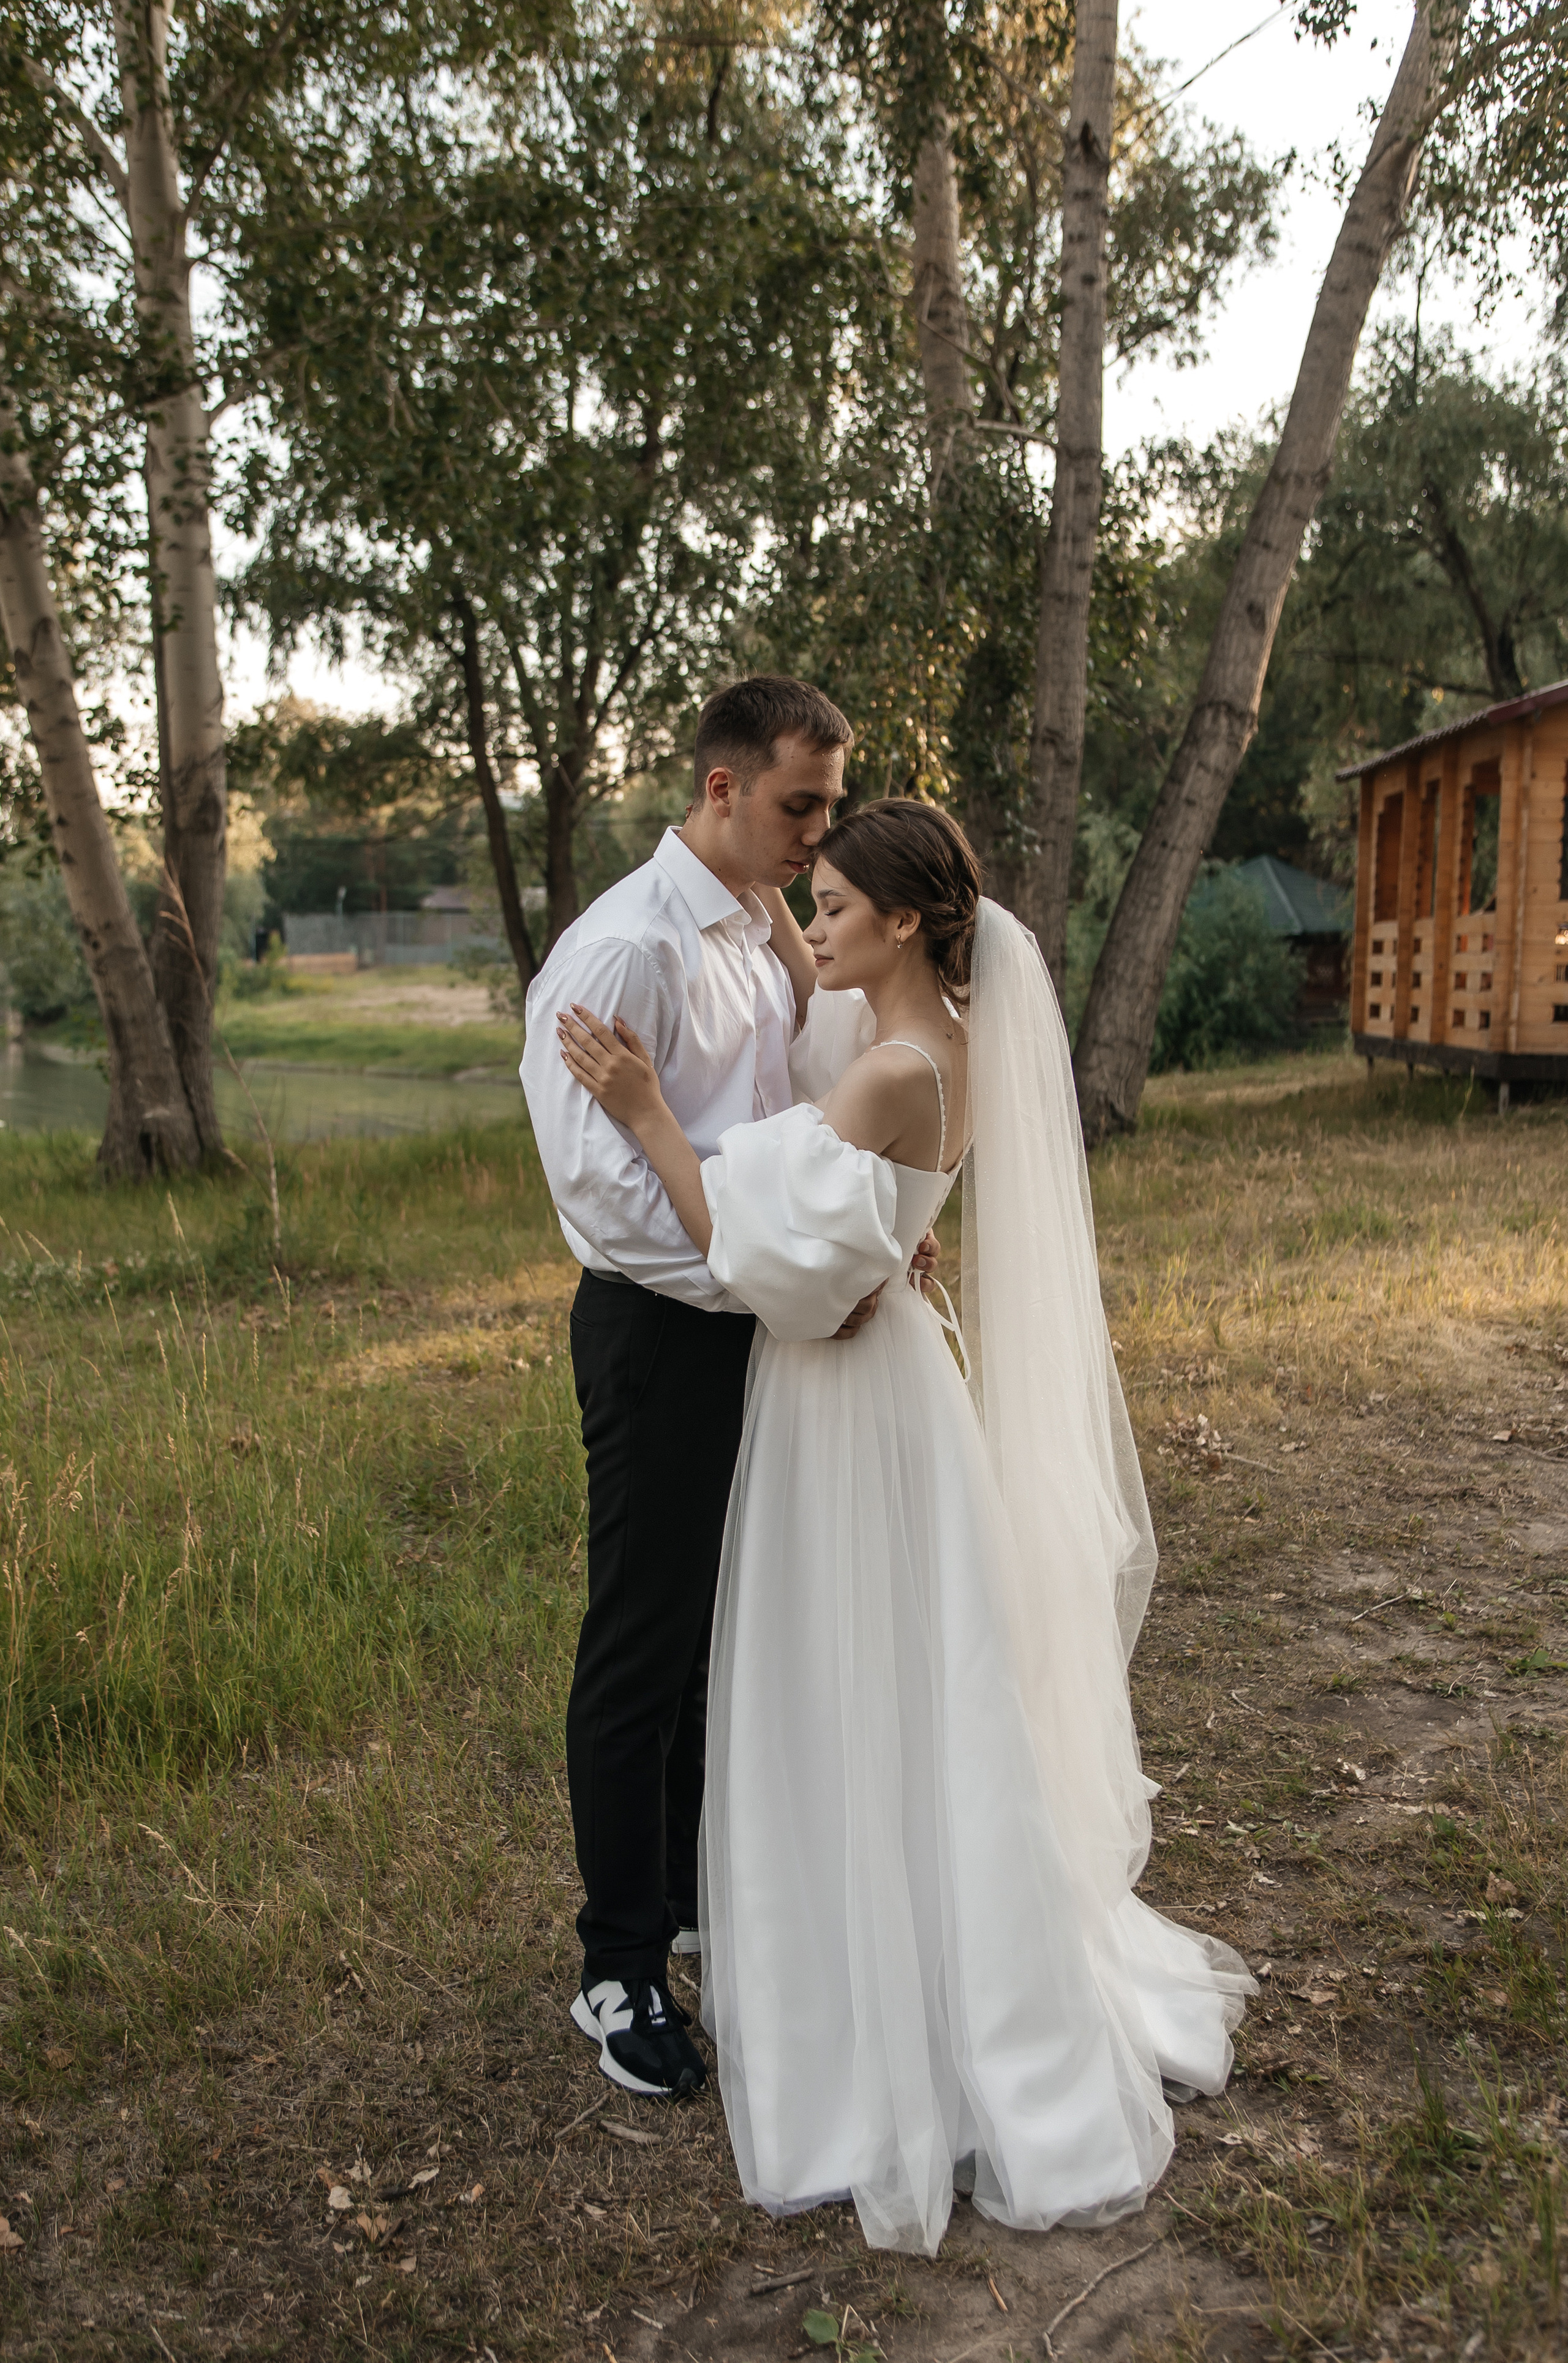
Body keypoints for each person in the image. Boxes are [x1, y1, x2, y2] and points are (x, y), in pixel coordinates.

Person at [554, 797, 1254, 2256]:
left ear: (907, 924)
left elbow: (756, 1257)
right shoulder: (943, 1047)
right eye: (808, 902)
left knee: (850, 1682)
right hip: (895, 1384)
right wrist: (886, 1232)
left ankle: (885, 1982)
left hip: (845, 1397)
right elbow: (866, 1213)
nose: (812, 925)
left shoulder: (887, 1071)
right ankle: (901, 1932)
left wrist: (643, 1115)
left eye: (833, 908)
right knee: (917, 1687)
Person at [519, 677, 937, 2102]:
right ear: (719, 788)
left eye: (827, 802)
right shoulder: (618, 953)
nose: (819, 834)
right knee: (641, 1640)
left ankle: (698, 1897)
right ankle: (617, 1964)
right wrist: (779, 1280)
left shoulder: (770, 936)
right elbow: (600, 1192)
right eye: (798, 805)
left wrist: (856, 1232)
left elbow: (786, 1131)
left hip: (762, 1317)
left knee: (720, 1631)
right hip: (660, 1327)